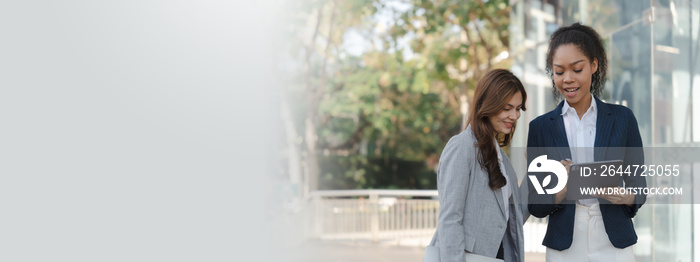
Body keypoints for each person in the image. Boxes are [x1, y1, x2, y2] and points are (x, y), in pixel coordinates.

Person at [526, 23, 646, 262]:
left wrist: (626, 197)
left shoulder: (623, 118)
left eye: (577, 69)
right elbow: (535, 205)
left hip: (614, 239)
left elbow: (639, 186)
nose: (567, 79)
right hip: (564, 244)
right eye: (559, 72)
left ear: (593, 65)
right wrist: (560, 191)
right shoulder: (540, 128)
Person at [427, 69, 527, 262]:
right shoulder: (462, 146)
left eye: (517, 108)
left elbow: (514, 219)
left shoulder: (502, 160)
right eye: (507, 108)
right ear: (488, 105)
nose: (514, 116)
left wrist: (537, 171)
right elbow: (450, 218)